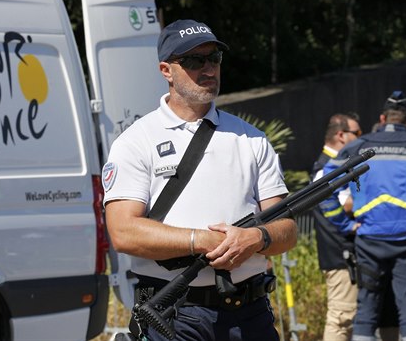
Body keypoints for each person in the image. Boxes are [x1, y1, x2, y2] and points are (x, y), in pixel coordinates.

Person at [102, 19, 297, 340]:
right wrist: (199, 241)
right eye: (194, 61)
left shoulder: (251, 139)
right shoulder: (135, 141)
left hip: (250, 314)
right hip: (174, 315)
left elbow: (287, 231)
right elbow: (123, 232)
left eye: (214, 59)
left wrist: (257, 238)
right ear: (166, 70)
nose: (209, 68)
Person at [319, 91, 406, 341]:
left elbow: (324, 187)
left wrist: (345, 224)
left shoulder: (358, 146)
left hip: (368, 239)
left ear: (382, 118)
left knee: (366, 311)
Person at [311, 113, 362, 341]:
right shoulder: (326, 167)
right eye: (358, 133)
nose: (362, 138)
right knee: (342, 317)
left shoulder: (330, 164)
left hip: (340, 253)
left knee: (347, 318)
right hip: (340, 254)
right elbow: (344, 204)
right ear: (341, 135)